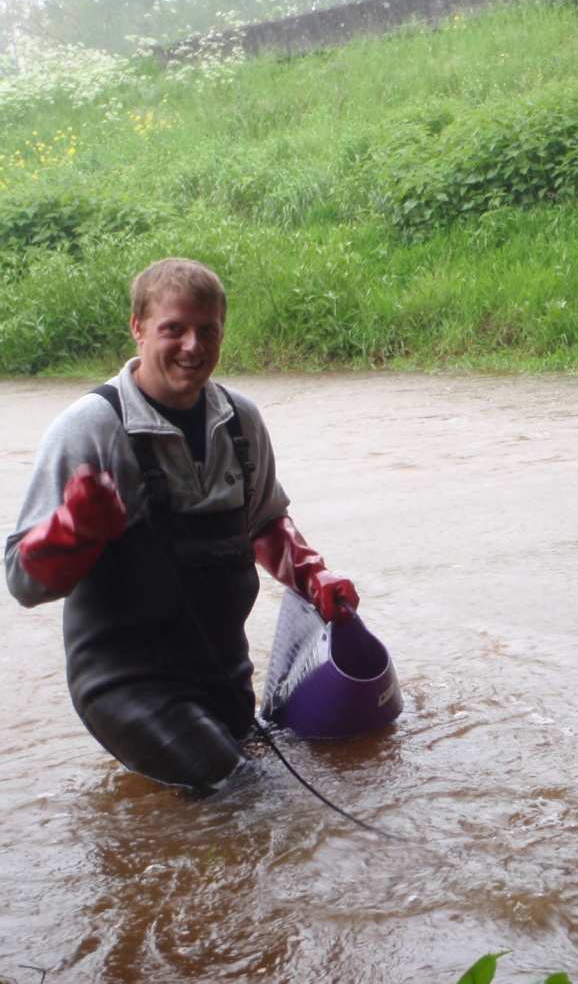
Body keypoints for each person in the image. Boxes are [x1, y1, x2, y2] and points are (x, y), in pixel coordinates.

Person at [4, 258, 359, 791]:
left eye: (207, 330)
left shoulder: (242, 421)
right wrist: (73, 530)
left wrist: (314, 577)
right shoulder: (89, 428)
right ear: (138, 328)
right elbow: (22, 582)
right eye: (174, 328)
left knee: (318, 761)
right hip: (124, 682)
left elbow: (263, 522)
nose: (193, 345)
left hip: (222, 677)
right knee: (247, 797)